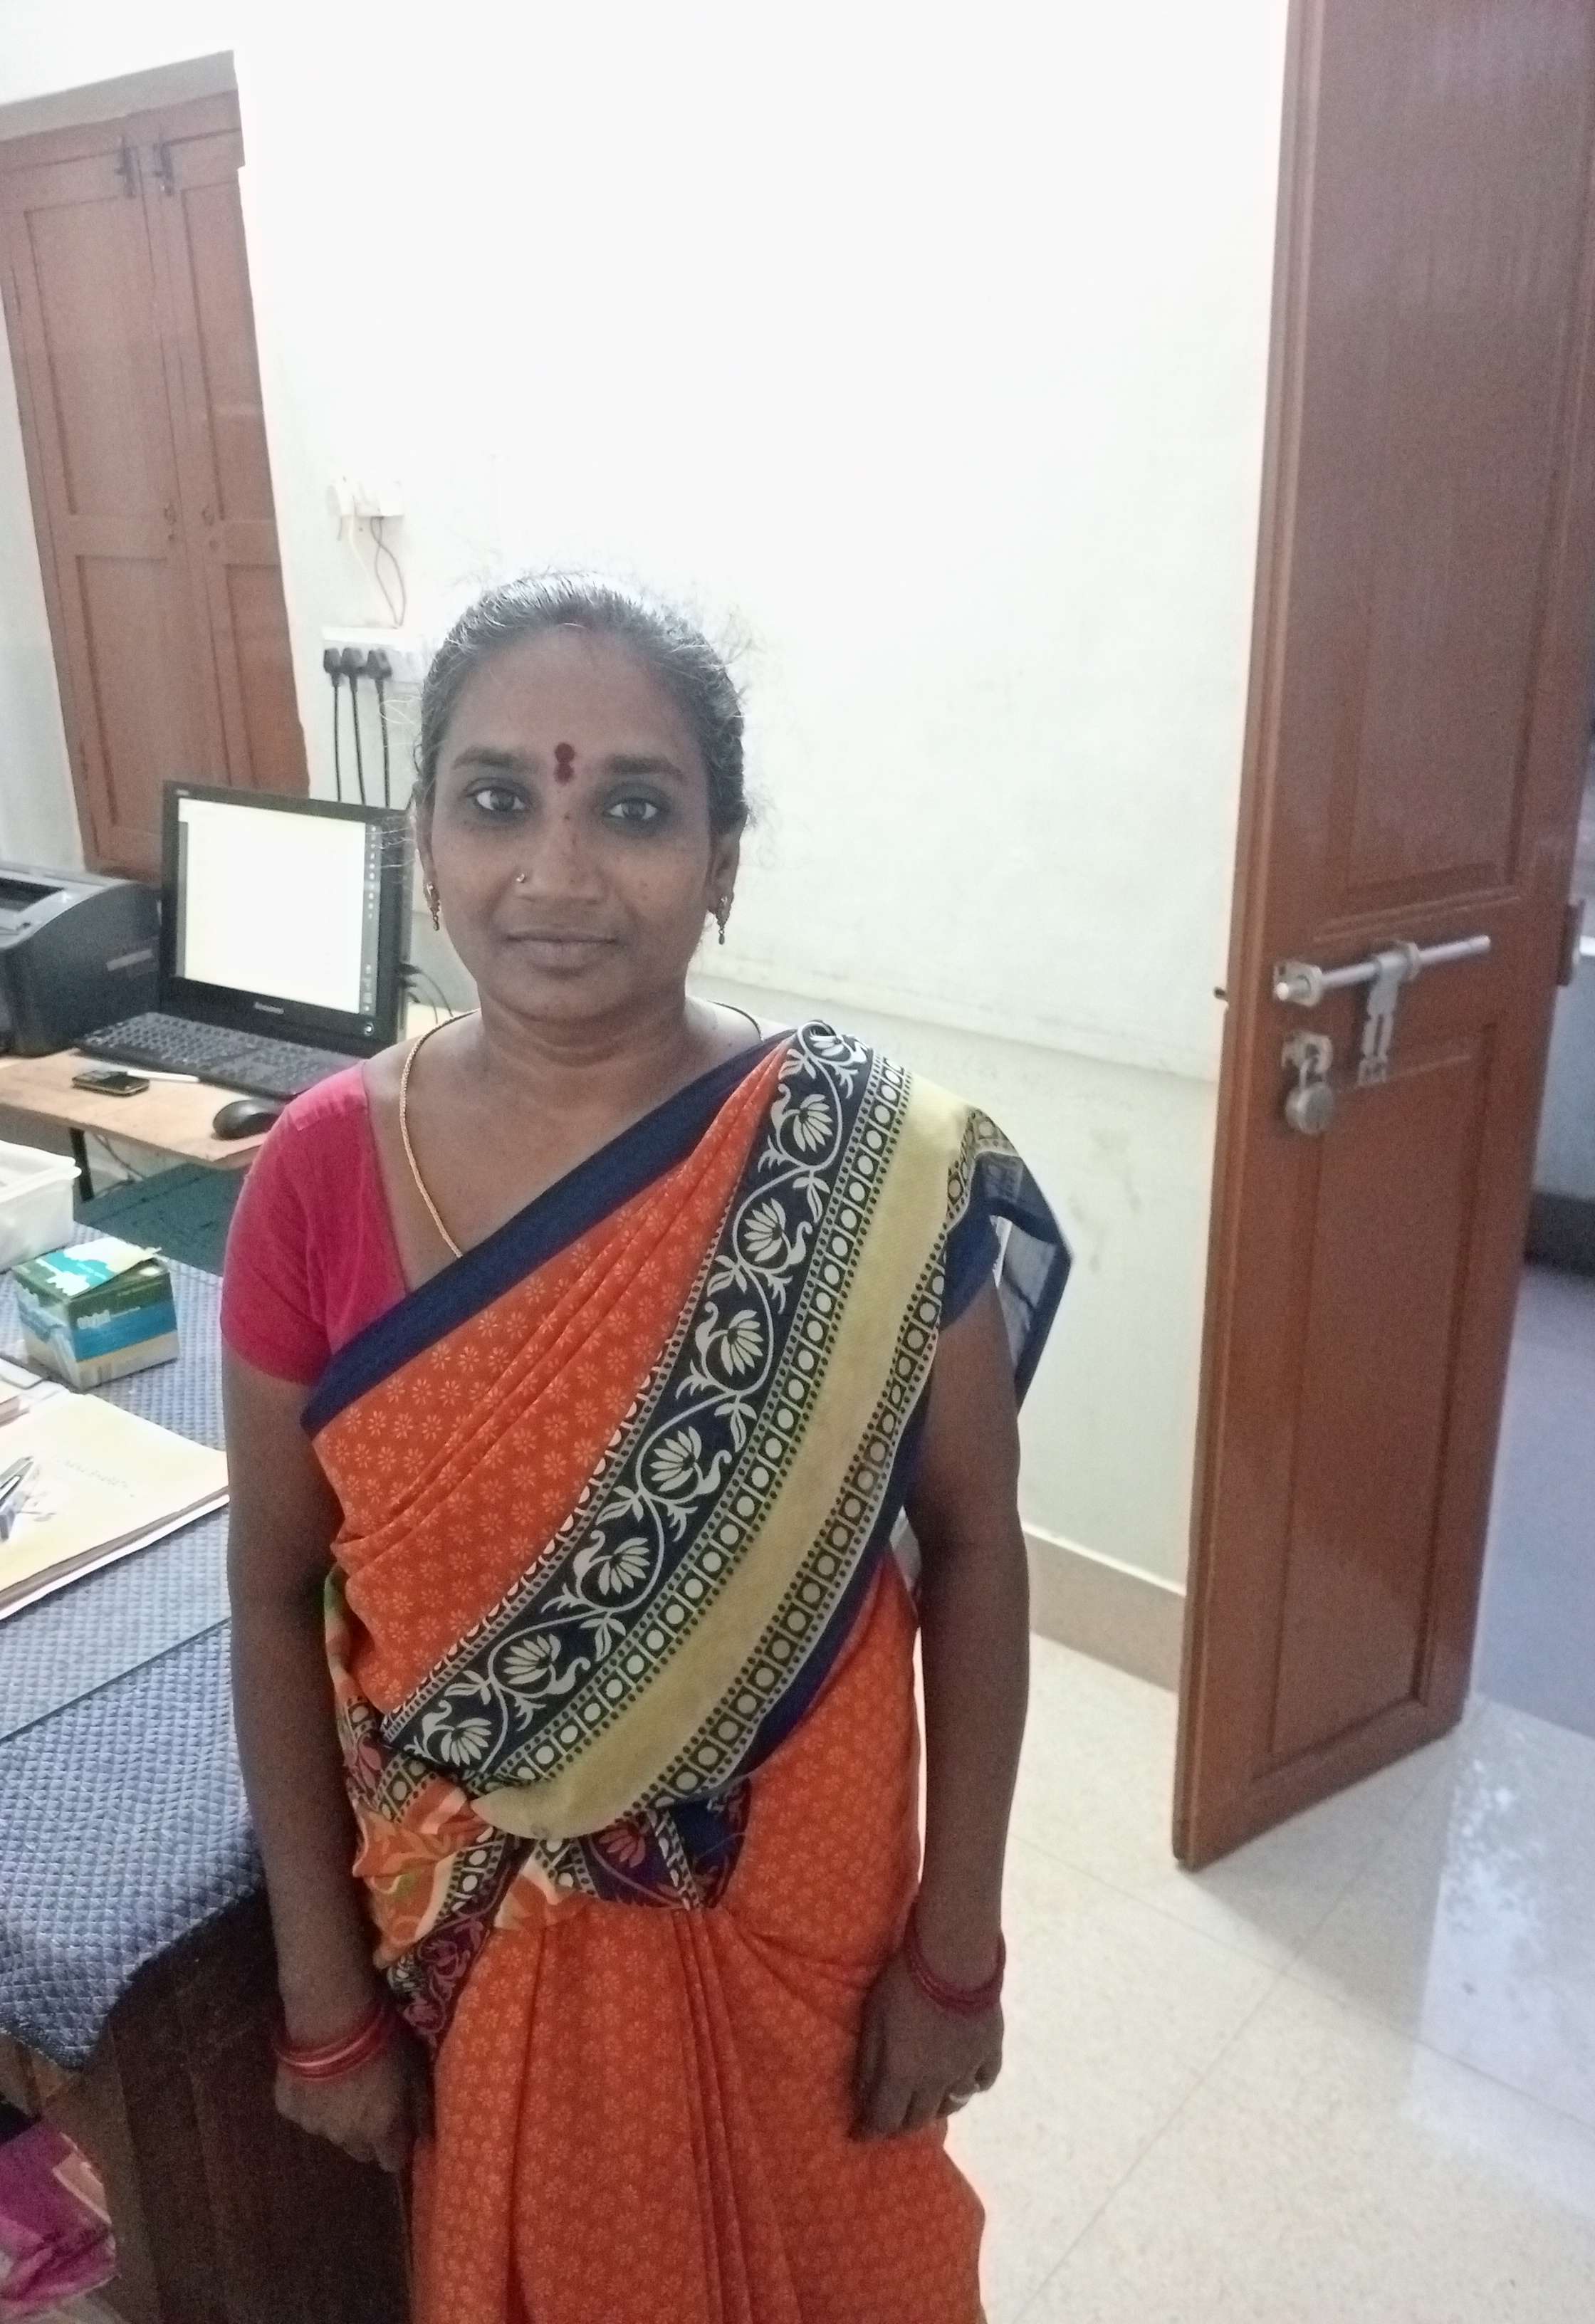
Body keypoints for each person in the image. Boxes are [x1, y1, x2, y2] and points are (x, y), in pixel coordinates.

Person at [221, 572, 1069, 2324]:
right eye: (497, 800)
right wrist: (323, 1999)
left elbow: (979, 1550)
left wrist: (956, 1954)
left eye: (632, 809)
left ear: (722, 858)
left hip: (811, 1927)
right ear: (424, 843)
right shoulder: (316, 1175)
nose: (558, 873)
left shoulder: (865, 1168)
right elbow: (272, 1591)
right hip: (480, 1942)